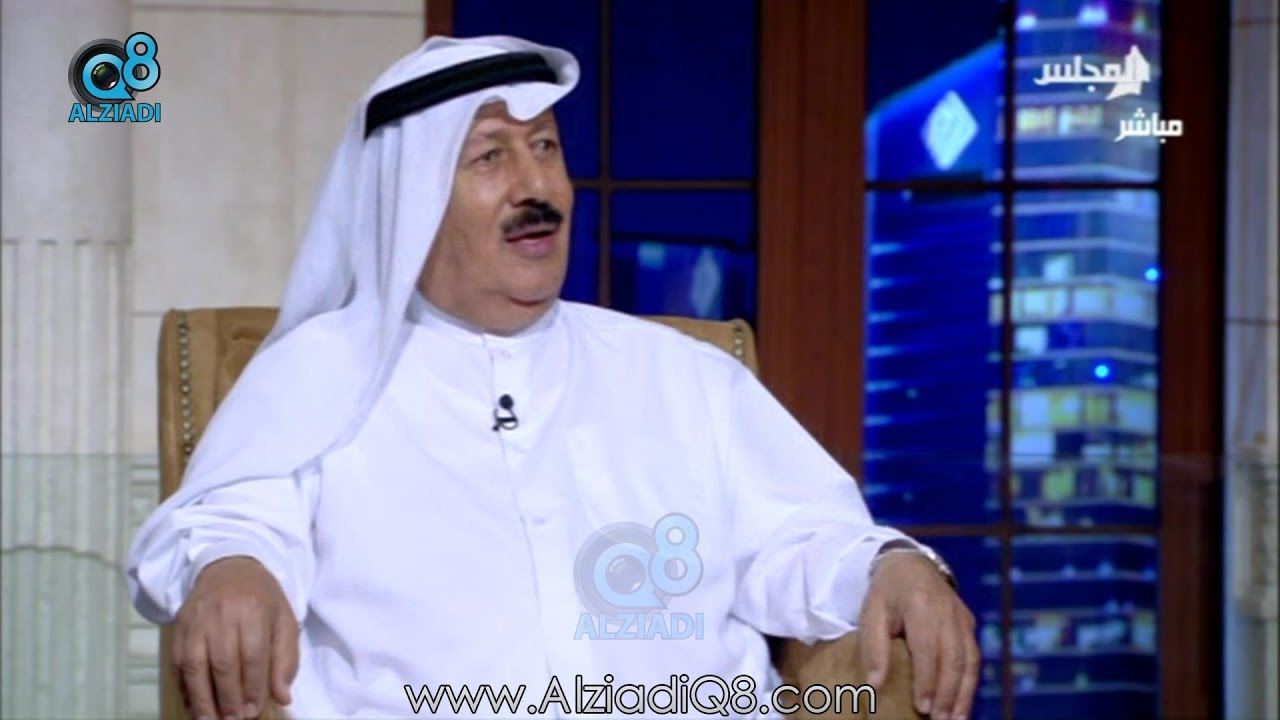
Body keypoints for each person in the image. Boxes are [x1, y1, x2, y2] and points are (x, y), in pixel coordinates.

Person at [127, 35, 979, 720]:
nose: (538, 186)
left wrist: (889, 563)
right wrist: (231, 568)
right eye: (491, 157)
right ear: (412, 199)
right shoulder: (320, 375)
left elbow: (801, 538)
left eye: (545, 148)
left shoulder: (682, 374)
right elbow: (233, 522)